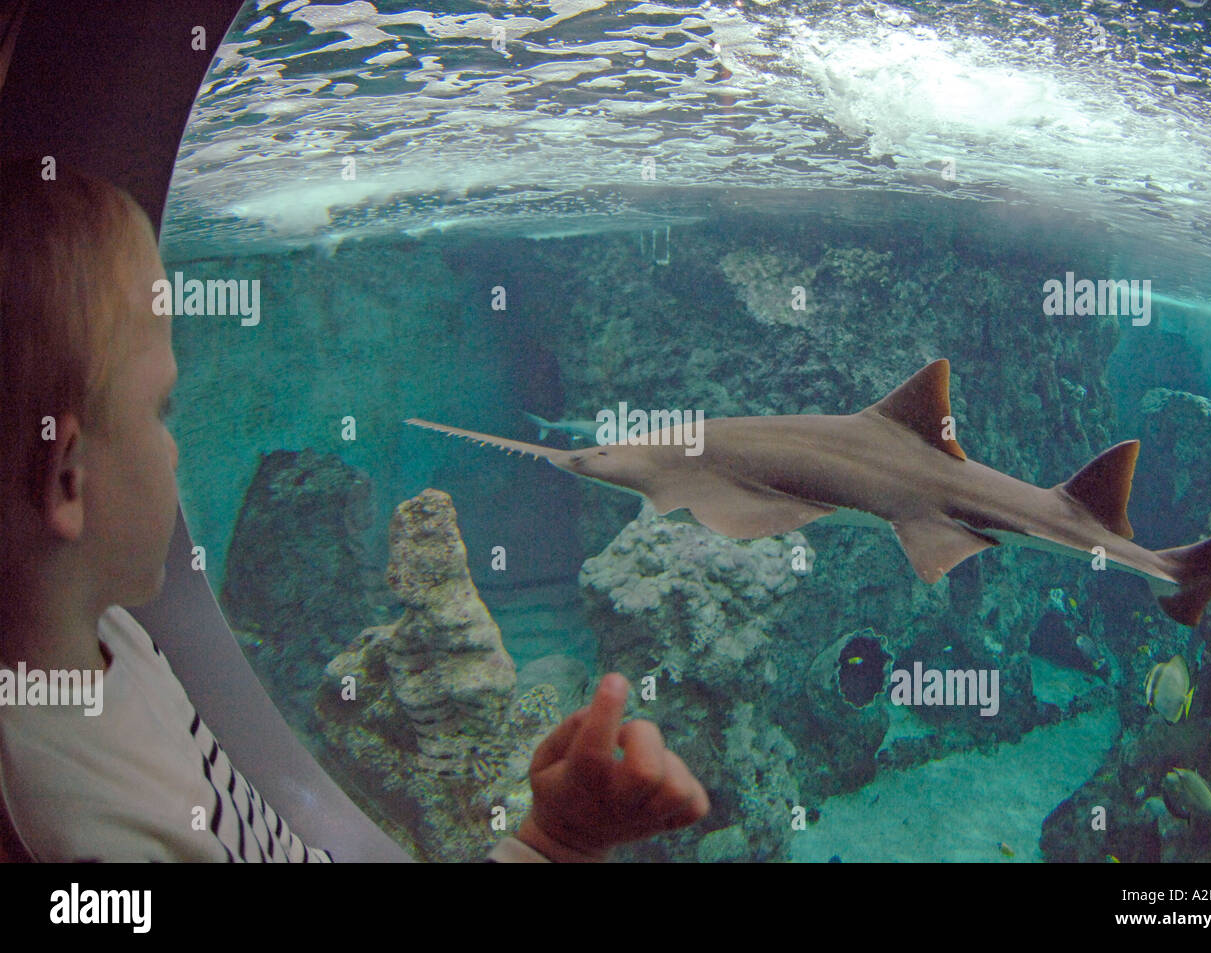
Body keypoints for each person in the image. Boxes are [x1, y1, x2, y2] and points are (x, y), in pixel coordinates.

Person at [0, 158, 709, 862]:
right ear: (68, 476)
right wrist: (559, 842)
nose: (176, 449)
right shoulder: (95, 842)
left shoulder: (110, 640)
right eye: (163, 409)